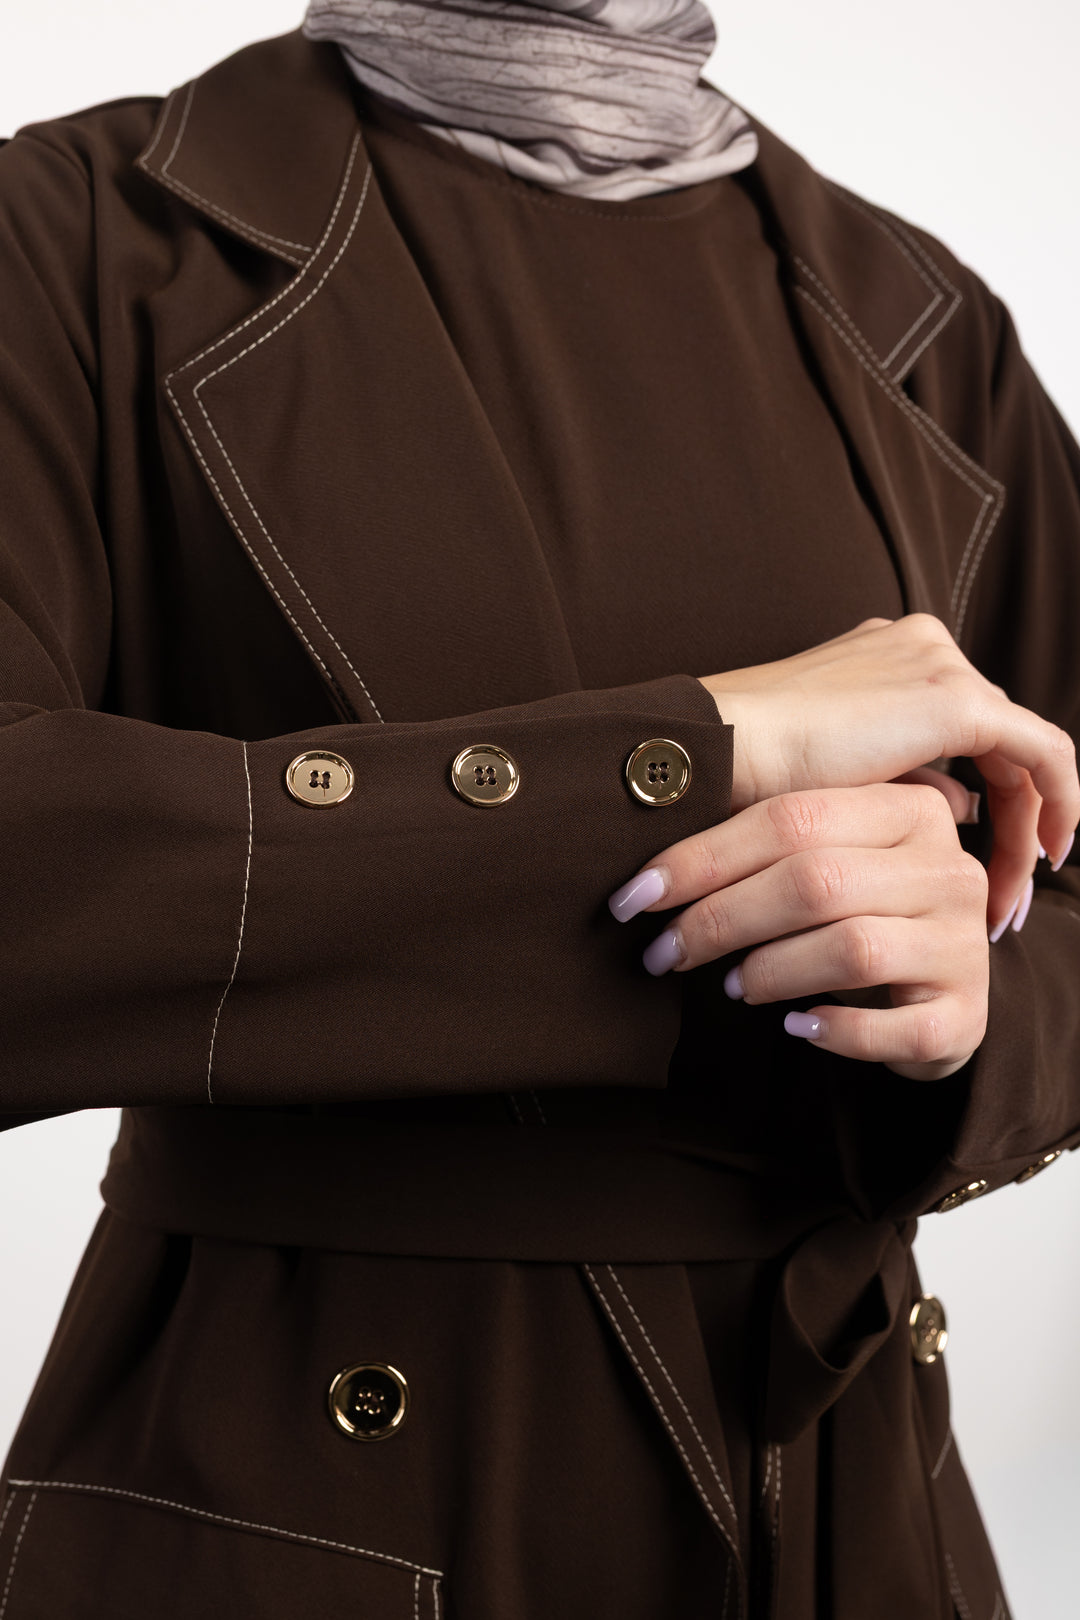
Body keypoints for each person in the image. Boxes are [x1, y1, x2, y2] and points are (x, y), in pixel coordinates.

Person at [1, 3, 1077, 1616]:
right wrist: (696, 752)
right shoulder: (71, 232)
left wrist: (973, 1002)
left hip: (852, 1498)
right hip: (290, 1481)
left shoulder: (922, 319)